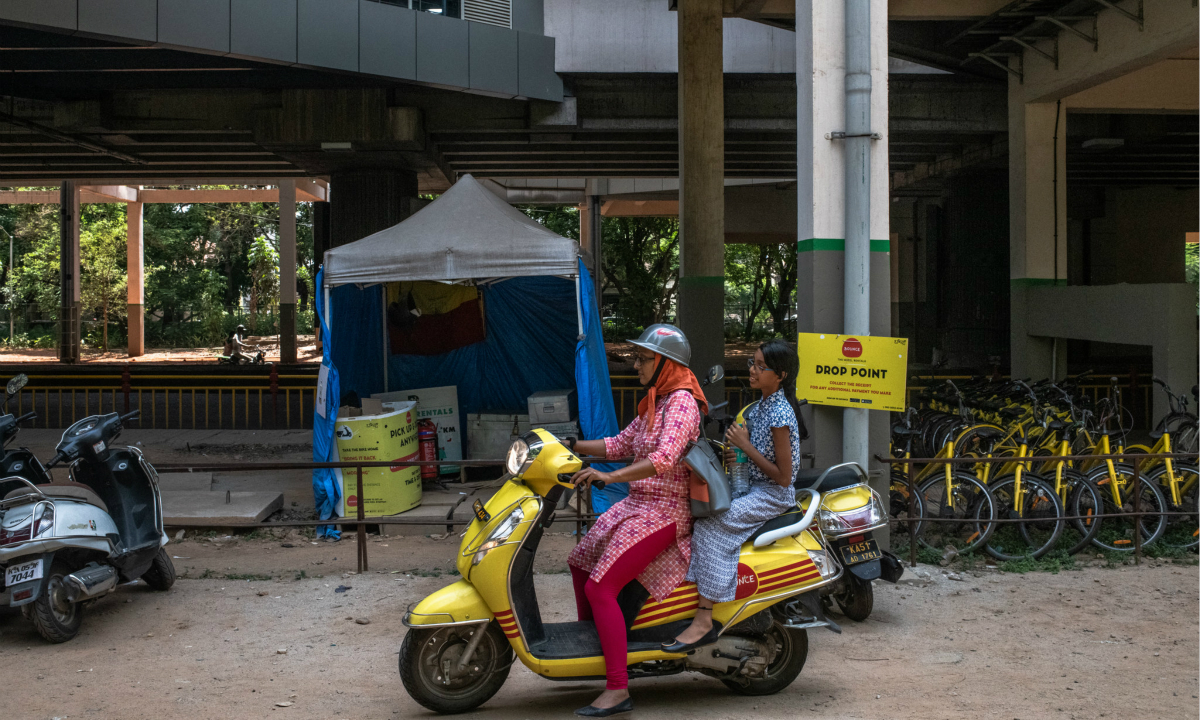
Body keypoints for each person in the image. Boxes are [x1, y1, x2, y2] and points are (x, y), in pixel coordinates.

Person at [566, 323, 708, 717]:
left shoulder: (680, 404)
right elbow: (619, 444)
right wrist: (568, 445)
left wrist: (609, 477)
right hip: (638, 505)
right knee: (579, 562)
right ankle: (594, 649)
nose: (635, 365)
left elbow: (662, 460)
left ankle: (617, 688)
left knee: (601, 589)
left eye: (644, 359)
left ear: (667, 364)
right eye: (637, 357)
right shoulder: (655, 402)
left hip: (664, 512)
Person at [664, 338, 806, 653]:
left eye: (760, 366)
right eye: (751, 364)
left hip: (772, 495)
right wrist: (737, 458)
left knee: (711, 524)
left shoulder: (780, 412)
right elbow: (757, 460)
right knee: (696, 511)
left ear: (780, 375)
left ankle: (704, 618)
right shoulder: (761, 406)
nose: (753, 370)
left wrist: (745, 447)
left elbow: (784, 478)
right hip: (754, 486)